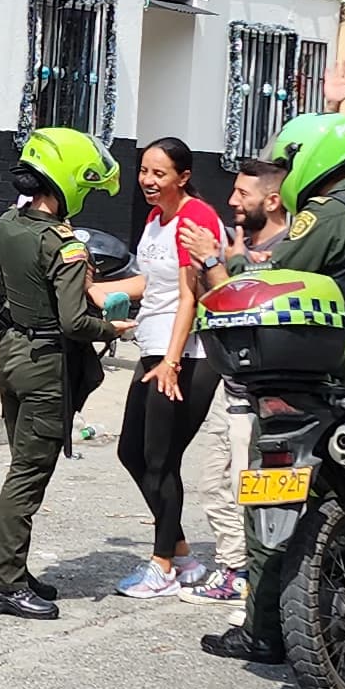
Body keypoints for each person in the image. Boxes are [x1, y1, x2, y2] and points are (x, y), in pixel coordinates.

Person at [206, 113, 345, 668]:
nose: (287, 172)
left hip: (302, 379)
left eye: (289, 162)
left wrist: (225, 260)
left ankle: (263, 631)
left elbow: (271, 276)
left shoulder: (325, 216)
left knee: (270, 505)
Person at [0, 126, 123, 618]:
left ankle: (13, 570)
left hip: (11, 354)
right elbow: (75, 321)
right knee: (27, 475)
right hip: (45, 366)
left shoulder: (7, 224)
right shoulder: (65, 246)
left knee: (19, 465)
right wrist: (116, 328)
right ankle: (3, 585)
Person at [116, 136, 230, 600]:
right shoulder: (155, 217)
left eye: (159, 173)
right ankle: (180, 549)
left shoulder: (195, 218)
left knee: (162, 461)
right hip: (153, 347)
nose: (147, 180)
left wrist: (172, 360)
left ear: (183, 177)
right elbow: (154, 281)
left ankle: (163, 565)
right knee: (131, 452)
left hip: (188, 355)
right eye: (144, 170)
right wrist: (99, 290)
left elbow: (191, 295)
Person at [196, 161, 284, 600]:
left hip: (261, 394)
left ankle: (249, 577)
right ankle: (234, 567)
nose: (232, 201)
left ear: (271, 201)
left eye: (242, 194)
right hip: (228, 384)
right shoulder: (241, 243)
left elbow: (230, 304)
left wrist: (214, 261)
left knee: (246, 488)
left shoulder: (290, 250)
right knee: (214, 483)